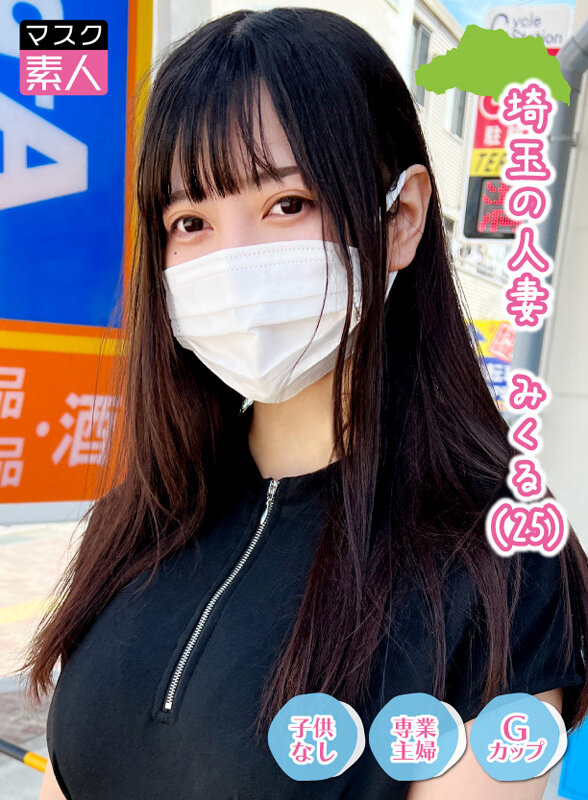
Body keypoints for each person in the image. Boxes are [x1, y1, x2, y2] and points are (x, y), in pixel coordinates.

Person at [18, 7, 587, 800]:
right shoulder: (138, 518)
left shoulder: (499, 560)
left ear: (401, 219)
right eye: (191, 221)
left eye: (287, 204)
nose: (233, 261)